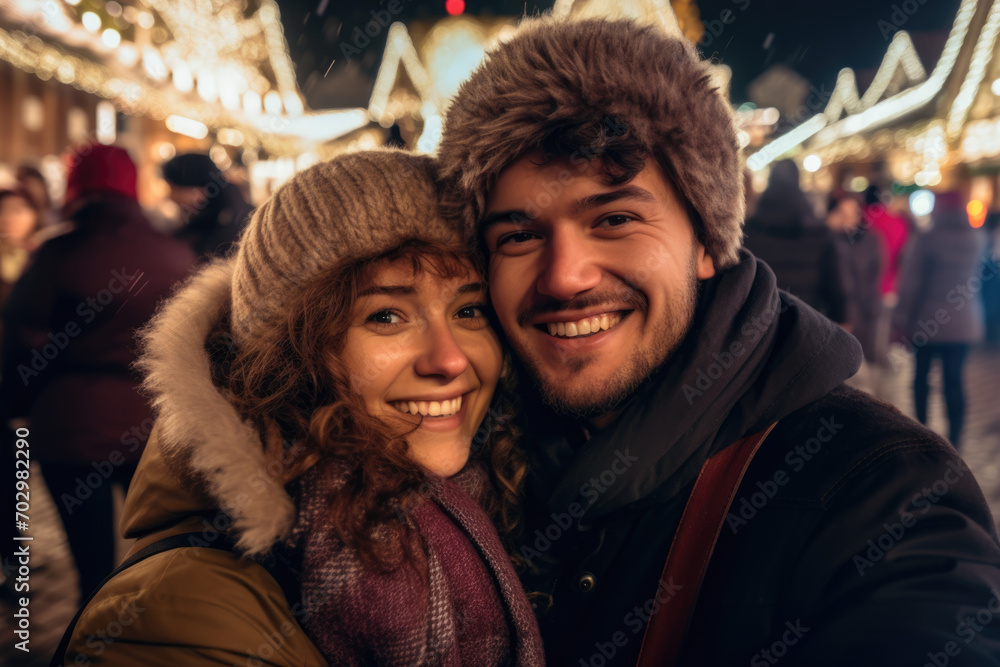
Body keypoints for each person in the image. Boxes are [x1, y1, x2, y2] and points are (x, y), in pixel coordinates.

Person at [437, 17, 1000, 666]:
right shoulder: (472, 465)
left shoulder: (873, 486)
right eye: (517, 235)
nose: (564, 275)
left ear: (707, 240)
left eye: (615, 218)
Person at [59, 150, 543, 665]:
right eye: (386, 316)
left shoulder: (506, 504)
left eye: (468, 309)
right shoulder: (176, 615)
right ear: (292, 358)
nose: (449, 359)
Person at [0, 144, 196, 601]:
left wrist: (13, 406)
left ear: (75, 185)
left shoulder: (57, 253)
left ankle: (95, 633)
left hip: (70, 427)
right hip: (154, 424)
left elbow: (22, 338)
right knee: (156, 549)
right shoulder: (175, 254)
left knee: (92, 564)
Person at [893, 191, 987, 447]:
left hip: (927, 321)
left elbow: (911, 284)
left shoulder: (927, 239)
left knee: (921, 377)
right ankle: (956, 437)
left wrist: (900, 320)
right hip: (965, 322)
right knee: (954, 379)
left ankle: (922, 434)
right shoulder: (976, 239)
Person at [743, 159, 849, 326]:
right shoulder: (819, 232)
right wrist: (841, 321)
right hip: (805, 326)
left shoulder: (749, 230)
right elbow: (835, 287)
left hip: (758, 328)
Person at [827, 193, 884, 391]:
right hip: (838, 317)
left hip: (867, 313)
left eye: (853, 212)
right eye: (843, 213)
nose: (849, 218)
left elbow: (875, 274)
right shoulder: (828, 240)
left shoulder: (870, 240)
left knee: (867, 372)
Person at [162, 152, 253, 261]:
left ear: (200, 192)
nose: (170, 196)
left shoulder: (226, 235)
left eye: (174, 189)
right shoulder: (218, 213)